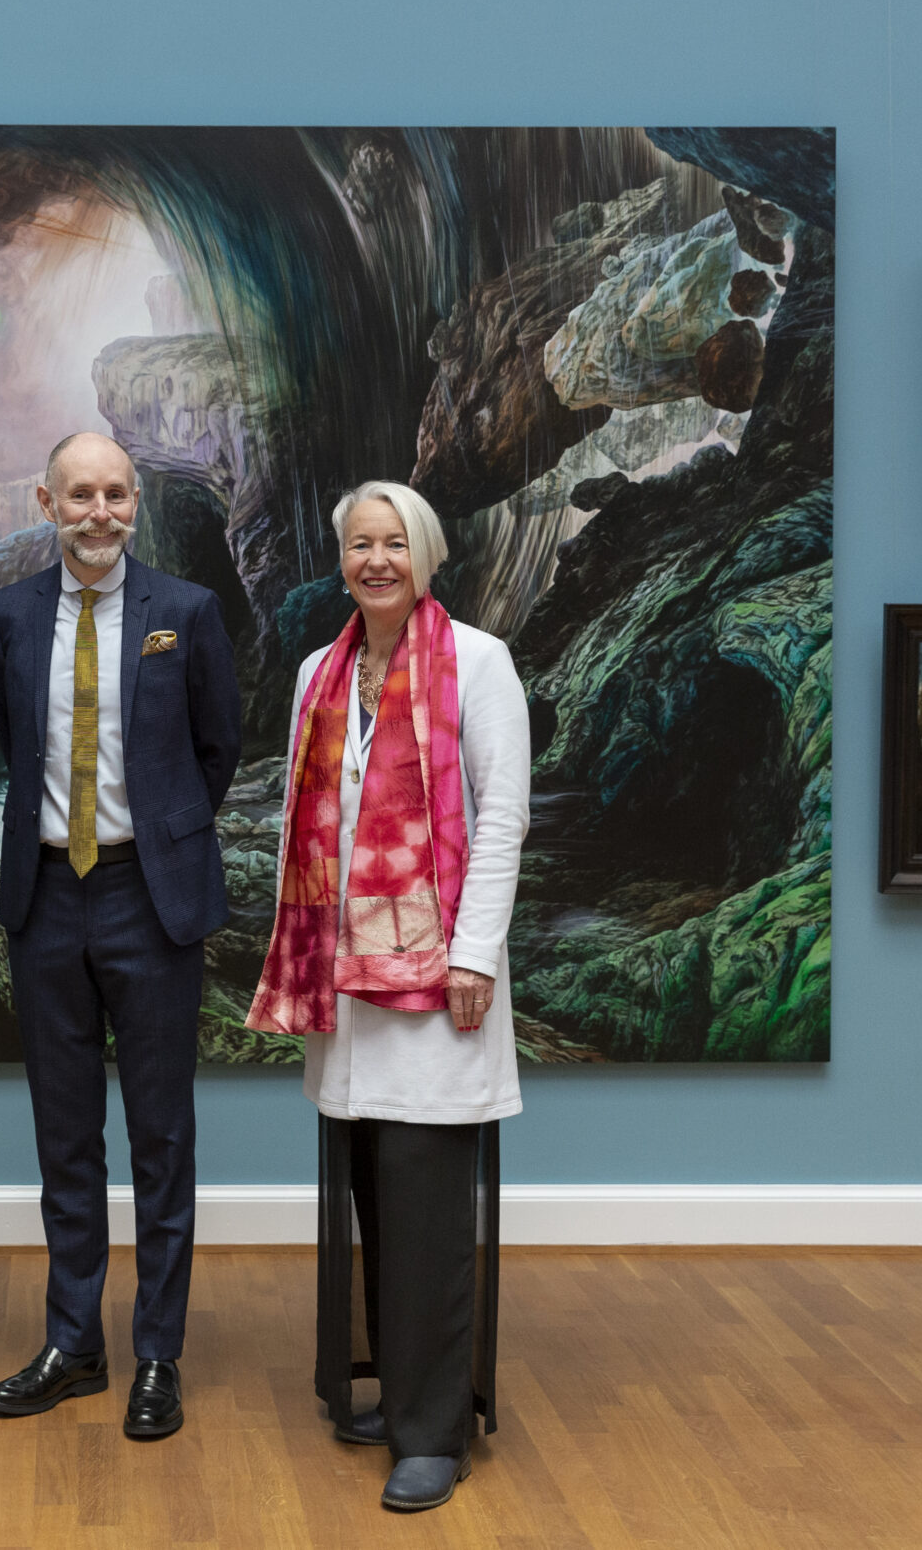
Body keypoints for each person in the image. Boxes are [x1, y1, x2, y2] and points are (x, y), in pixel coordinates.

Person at [244, 479, 528, 1513]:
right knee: (372, 1189)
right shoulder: (318, 673)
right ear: (342, 561)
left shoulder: (480, 663)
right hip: (348, 980)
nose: (376, 561)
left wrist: (474, 955)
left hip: (439, 980)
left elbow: (502, 817)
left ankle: (433, 1431)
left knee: (428, 1207)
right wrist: (303, 945)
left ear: (427, 556)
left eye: (394, 544)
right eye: (360, 544)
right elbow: (303, 819)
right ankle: (397, 1393)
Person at [0, 431, 240, 1441]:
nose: (100, 513)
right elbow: (16, 743)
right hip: (46, 897)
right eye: (81, 495)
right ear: (47, 502)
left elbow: (217, 749)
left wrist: (162, 835)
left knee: (162, 1137)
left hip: (150, 897)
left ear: (135, 503)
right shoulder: (9, 614)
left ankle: (158, 1353)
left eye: (117, 495)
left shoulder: (188, 611)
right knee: (66, 1136)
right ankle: (73, 1344)